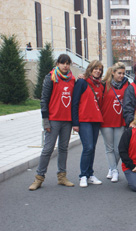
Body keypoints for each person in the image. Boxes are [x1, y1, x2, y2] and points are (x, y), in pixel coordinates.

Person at [29, 54, 75, 191]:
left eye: (67, 63)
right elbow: (44, 100)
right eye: (63, 63)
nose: (65, 66)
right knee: (48, 149)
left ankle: (62, 176)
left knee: (63, 148)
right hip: (53, 119)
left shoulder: (72, 79)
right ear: (57, 64)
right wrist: (45, 121)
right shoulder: (51, 77)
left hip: (67, 120)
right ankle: (39, 177)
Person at [72, 60, 104, 188]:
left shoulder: (100, 85)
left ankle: (90, 174)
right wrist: (75, 123)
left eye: (100, 69)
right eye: (95, 69)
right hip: (84, 120)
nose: (98, 71)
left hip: (96, 120)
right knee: (88, 147)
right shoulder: (82, 82)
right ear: (90, 69)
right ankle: (83, 175)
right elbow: (74, 103)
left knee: (93, 148)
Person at [100, 62, 129, 182]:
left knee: (118, 148)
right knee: (109, 148)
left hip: (120, 120)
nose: (121, 75)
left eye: (123, 73)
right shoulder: (104, 84)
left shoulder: (127, 84)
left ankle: (112, 168)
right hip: (106, 120)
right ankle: (114, 170)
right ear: (113, 72)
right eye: (119, 73)